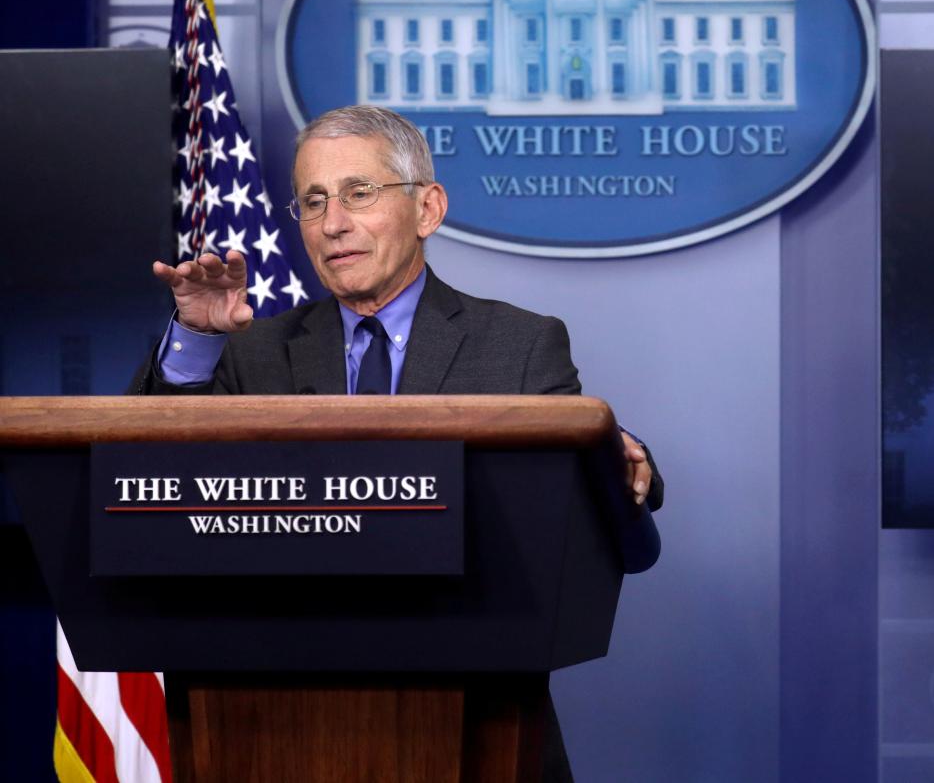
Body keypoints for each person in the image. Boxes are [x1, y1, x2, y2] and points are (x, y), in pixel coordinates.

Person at [133, 104, 663, 781]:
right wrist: (197, 342)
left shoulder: (519, 343)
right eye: (314, 201)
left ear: (428, 208)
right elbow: (147, 477)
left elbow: (579, 466)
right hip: (276, 725)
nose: (332, 224)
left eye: (359, 194)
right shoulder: (252, 352)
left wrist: (619, 455)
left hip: (478, 722)